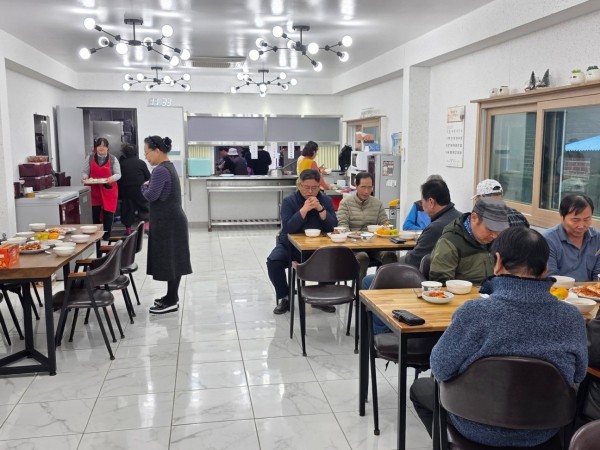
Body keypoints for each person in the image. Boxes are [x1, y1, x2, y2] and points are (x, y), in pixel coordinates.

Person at [410, 227, 588, 447]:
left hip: (474, 425)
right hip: (543, 429)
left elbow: (440, 367)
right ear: (545, 269)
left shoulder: (474, 312)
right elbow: (579, 374)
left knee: (420, 389)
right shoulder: (572, 318)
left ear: (498, 262)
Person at [267, 169, 337, 315]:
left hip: (318, 248)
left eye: (314, 188)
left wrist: (321, 209)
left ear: (319, 186)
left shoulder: (325, 200)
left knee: (337, 260)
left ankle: (321, 297)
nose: (310, 191)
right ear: (300, 185)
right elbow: (288, 228)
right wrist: (304, 210)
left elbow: (333, 227)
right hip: (290, 246)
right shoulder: (289, 201)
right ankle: (285, 297)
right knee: (273, 262)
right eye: (306, 187)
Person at [142, 135, 192, 314]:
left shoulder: (161, 171)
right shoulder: (168, 167)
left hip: (168, 222)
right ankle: (171, 297)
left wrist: (144, 186)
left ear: (157, 151)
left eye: (147, 153)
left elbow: (151, 195)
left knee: (171, 260)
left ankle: (171, 300)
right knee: (173, 259)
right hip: (172, 220)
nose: (146, 157)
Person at [429, 198, 509, 284]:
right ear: (474, 218)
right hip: (465, 292)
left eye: (498, 230)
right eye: (490, 229)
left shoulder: (498, 240)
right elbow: (440, 285)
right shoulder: (450, 242)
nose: (494, 235)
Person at [336, 172, 397, 283]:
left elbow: (385, 223)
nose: (367, 191)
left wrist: (386, 227)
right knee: (362, 257)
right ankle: (361, 290)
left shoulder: (377, 203)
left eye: (370, 187)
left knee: (390, 255)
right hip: (353, 246)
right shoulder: (345, 203)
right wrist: (354, 234)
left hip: (373, 245)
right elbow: (342, 226)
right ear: (356, 185)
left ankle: (384, 286)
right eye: (363, 187)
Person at [543, 194, 600, 281]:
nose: (581, 226)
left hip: (590, 289)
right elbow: (551, 278)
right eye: (575, 220)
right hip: (560, 289)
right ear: (562, 217)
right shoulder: (548, 239)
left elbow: (598, 275)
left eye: (587, 219)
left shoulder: (597, 238)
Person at [81, 137, 121, 240]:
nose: (101, 148)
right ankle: (96, 235)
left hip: (108, 189)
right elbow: (85, 172)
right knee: (95, 213)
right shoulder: (90, 158)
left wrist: (111, 178)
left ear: (107, 148)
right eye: (99, 145)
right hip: (94, 189)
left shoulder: (113, 159)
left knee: (108, 213)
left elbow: (118, 174)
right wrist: (85, 177)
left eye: (104, 146)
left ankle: (107, 235)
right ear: (96, 147)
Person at [117, 144, 150, 235]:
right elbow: (148, 176)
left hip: (126, 191)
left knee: (127, 210)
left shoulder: (121, 164)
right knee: (144, 207)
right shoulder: (141, 163)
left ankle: (128, 229)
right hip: (140, 189)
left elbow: (119, 179)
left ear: (124, 153)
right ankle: (146, 225)